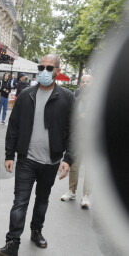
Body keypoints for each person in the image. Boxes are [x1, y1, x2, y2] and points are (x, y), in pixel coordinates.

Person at [0, 54, 75, 256]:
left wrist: (68, 159)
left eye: (50, 68)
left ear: (57, 71)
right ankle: (12, 242)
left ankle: (36, 231)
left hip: (51, 161)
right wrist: (8, 155)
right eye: (42, 67)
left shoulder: (66, 97)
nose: (45, 71)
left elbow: (75, 130)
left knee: (42, 200)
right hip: (26, 160)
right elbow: (13, 126)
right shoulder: (26, 95)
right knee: (20, 201)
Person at [61, 74, 93, 208]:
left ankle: (86, 195)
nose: (85, 83)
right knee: (74, 166)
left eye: (88, 81)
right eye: (83, 81)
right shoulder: (76, 99)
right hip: (78, 138)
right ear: (80, 84)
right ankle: (72, 191)